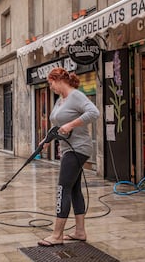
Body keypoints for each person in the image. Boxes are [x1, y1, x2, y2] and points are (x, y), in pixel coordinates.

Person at [37, 67, 100, 247]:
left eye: (50, 84)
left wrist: (72, 125)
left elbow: (94, 113)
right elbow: (57, 123)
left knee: (62, 189)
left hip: (78, 148)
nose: (50, 87)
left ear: (58, 80)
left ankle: (57, 235)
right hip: (67, 148)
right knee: (73, 189)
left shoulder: (75, 96)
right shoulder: (61, 100)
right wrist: (47, 140)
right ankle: (80, 231)